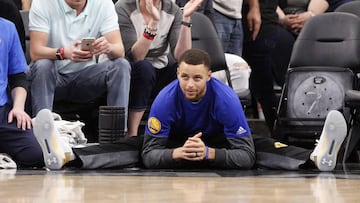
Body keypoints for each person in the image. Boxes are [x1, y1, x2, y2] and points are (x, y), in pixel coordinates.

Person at [141, 48, 347, 171]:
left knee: (262, 147)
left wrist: (208, 153)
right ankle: (105, 156)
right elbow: (149, 155)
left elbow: (246, 157)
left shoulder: (226, 99)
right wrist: (177, 153)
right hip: (177, 143)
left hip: (220, 142)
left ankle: (316, 158)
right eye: (184, 77)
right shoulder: (165, 99)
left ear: (209, 76)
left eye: (197, 78)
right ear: (177, 74)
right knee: (136, 147)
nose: (190, 85)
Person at [27, 0, 131, 131]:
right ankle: (43, 132)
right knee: (43, 65)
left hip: (85, 77)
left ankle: (117, 135)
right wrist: (64, 53)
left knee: (121, 65)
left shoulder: (103, 4)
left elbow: (119, 50)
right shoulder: (43, 3)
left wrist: (108, 47)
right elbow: (35, 52)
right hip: (52, 77)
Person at [115, 0, 203, 137]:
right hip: (129, 71)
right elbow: (137, 56)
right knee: (144, 68)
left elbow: (183, 57)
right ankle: (132, 133)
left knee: (181, 72)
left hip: (158, 67)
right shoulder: (123, 7)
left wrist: (185, 19)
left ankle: (180, 131)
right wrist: (154, 22)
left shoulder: (172, 9)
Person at [242, 1, 296, 132]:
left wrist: (255, 8)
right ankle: (286, 135)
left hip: (258, 28)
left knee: (266, 92)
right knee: (275, 91)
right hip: (270, 27)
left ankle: (282, 135)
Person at [0, 17, 44, 168]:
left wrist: (18, 108)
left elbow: (18, 77)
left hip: (3, 110)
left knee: (34, 155)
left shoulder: (7, 27)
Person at [279, 0, 352, 35]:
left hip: (318, 14)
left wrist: (311, 15)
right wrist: (282, 20)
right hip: (278, 20)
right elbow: (270, 7)